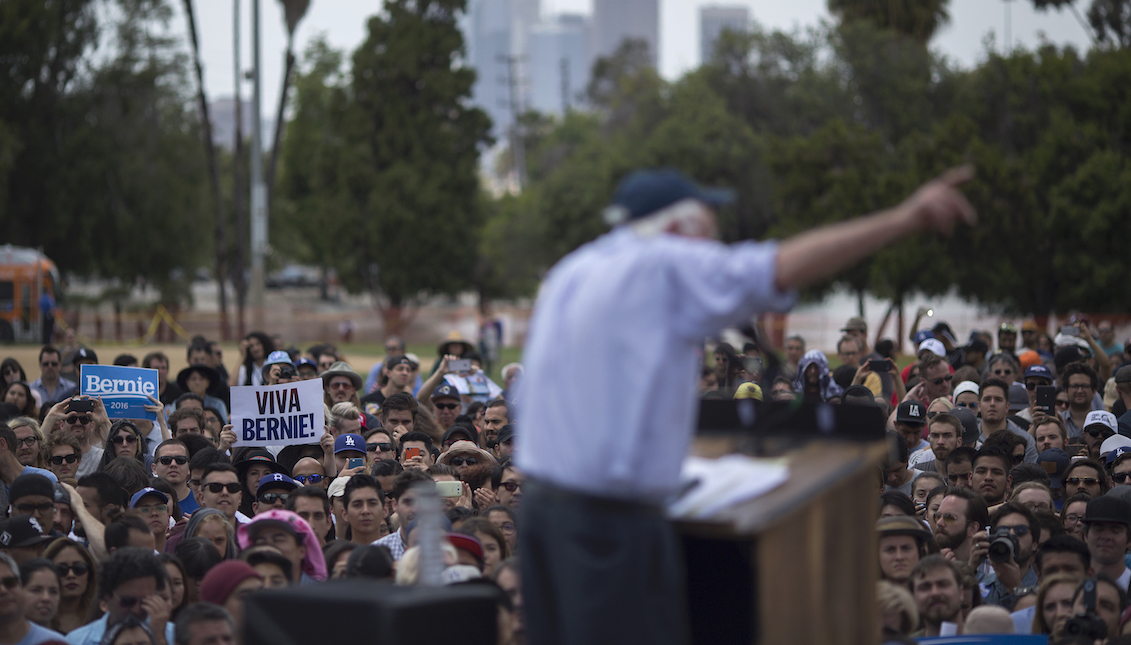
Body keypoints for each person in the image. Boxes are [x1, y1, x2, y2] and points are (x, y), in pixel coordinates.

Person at [515, 166, 976, 644]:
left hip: (544, 513)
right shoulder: (663, 261)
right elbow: (778, 266)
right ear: (682, 226)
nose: (718, 240)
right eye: (712, 223)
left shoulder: (575, 270)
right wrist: (904, 218)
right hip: (606, 527)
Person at [64, 547, 174, 645]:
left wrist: (159, 638)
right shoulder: (77, 641)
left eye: (146, 601)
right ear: (105, 601)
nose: (137, 609)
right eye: (128, 601)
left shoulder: (173, 635)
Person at [236, 509, 326, 584]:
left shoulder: (321, 597)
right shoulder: (245, 597)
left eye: (278, 540)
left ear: (301, 551)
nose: (269, 546)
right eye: (261, 541)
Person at [0, 552, 65, 644]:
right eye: (36, 590)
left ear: (19, 585)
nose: (46, 598)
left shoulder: (56, 642)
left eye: (9, 582)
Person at [45, 539, 96, 634]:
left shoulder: (103, 618)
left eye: (79, 568)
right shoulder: (35, 619)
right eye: (61, 569)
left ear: (90, 574)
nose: (71, 575)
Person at [1080, 495, 1131, 590]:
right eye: (1098, 529)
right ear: (1086, 535)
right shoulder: (1071, 587)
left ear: (1129, 540)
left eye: (1115, 530)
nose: (1106, 537)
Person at [909, 555, 965, 638]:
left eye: (943, 584)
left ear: (961, 592)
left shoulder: (987, 637)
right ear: (913, 598)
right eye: (925, 587)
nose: (935, 593)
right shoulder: (906, 643)